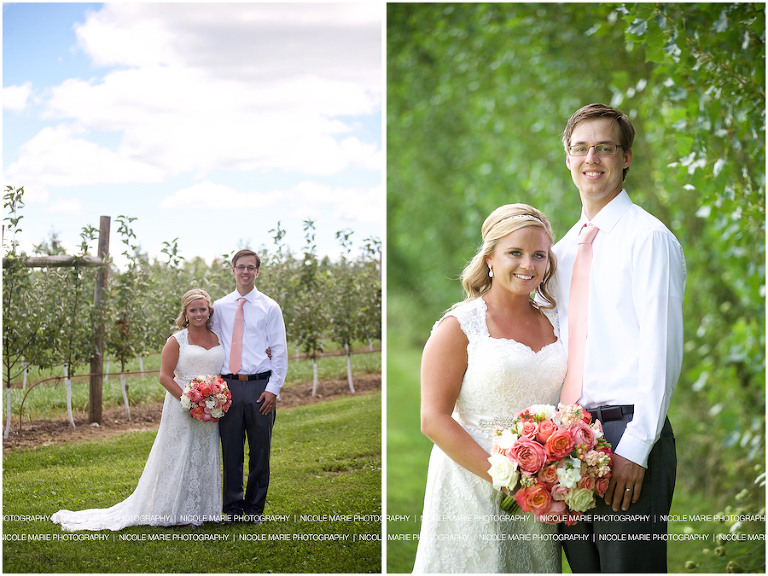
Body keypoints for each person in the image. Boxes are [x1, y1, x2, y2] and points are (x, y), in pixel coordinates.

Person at [554, 103, 686, 572]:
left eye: (605, 148)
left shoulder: (648, 239)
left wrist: (636, 446)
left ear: (625, 157)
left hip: (627, 434)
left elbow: (661, 350)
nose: (592, 158)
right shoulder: (560, 251)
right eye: (581, 148)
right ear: (567, 157)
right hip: (564, 442)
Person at [412, 204, 567, 573]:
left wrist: (543, 481)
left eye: (538, 255)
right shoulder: (459, 325)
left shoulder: (559, 320)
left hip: (542, 481)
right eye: (515, 252)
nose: (528, 265)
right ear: (490, 258)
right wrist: (514, 484)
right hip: (473, 479)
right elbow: (433, 419)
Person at [51, 289, 225, 531]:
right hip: (182, 405)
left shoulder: (218, 337)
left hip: (211, 408)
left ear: (209, 311)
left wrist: (214, 399)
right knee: (178, 456)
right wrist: (191, 401)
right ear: (185, 313)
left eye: (202, 309)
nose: (198, 314)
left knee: (204, 454)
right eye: (193, 310)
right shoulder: (177, 340)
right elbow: (165, 377)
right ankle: (174, 512)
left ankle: (203, 509)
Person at [212, 249, 288, 524]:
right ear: (232, 271)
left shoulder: (270, 307)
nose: (245, 272)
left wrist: (273, 389)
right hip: (228, 387)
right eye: (240, 267)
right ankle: (232, 508)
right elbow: (211, 340)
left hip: (260, 388)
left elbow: (279, 351)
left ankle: (254, 509)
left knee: (260, 451)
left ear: (257, 271)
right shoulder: (219, 307)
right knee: (230, 450)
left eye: (251, 268)